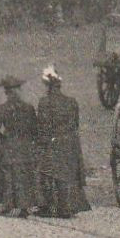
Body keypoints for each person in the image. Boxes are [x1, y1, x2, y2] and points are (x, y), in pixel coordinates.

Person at [34, 65, 90, 217]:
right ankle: (66, 207)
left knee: (44, 171)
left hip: (53, 142)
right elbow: (75, 124)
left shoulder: (44, 102)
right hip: (70, 143)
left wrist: (40, 143)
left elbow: (43, 126)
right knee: (66, 174)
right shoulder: (72, 102)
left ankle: (46, 206)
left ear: (48, 87)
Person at [0, 76, 39, 218]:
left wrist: (4, 139)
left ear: (6, 92)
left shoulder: (2, 108)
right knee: (24, 174)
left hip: (9, 145)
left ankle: (7, 204)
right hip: (24, 145)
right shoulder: (28, 108)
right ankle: (25, 207)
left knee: (6, 174)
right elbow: (34, 128)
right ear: (18, 90)